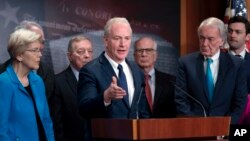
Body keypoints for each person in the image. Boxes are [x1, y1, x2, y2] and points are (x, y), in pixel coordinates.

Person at [175, 17, 247, 124]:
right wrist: (193, 124)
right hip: (194, 127)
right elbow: (180, 99)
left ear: (221, 40)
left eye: (210, 39)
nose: (204, 44)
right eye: (201, 38)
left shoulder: (236, 65)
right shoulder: (185, 63)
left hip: (224, 127)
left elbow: (240, 102)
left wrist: (227, 125)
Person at [77, 17, 150, 119]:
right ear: (106, 41)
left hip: (134, 134)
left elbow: (143, 111)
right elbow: (84, 108)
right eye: (117, 38)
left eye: (127, 38)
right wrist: (105, 97)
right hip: (106, 134)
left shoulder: (137, 70)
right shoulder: (90, 71)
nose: (123, 44)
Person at [0, 28, 54, 140]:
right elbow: (2, 129)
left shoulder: (38, 81)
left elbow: (46, 120)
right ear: (19, 55)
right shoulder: (4, 82)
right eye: (35, 50)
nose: (40, 55)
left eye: (39, 50)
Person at [51, 35, 93, 141]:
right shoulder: (58, 82)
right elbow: (57, 125)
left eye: (89, 51)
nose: (87, 55)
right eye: (81, 51)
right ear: (69, 56)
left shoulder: (98, 79)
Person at [0, 20, 55, 102]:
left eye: (42, 42)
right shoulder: (2, 75)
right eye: (34, 41)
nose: (40, 47)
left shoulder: (48, 73)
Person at [134, 37, 176, 118]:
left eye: (148, 50)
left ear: (155, 56)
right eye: (140, 51)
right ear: (135, 56)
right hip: (136, 128)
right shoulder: (127, 80)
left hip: (163, 128)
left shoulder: (171, 82)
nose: (144, 54)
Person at [227, 16, 250, 93]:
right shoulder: (217, 59)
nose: (232, 35)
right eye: (230, 31)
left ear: (247, 37)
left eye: (238, 32)